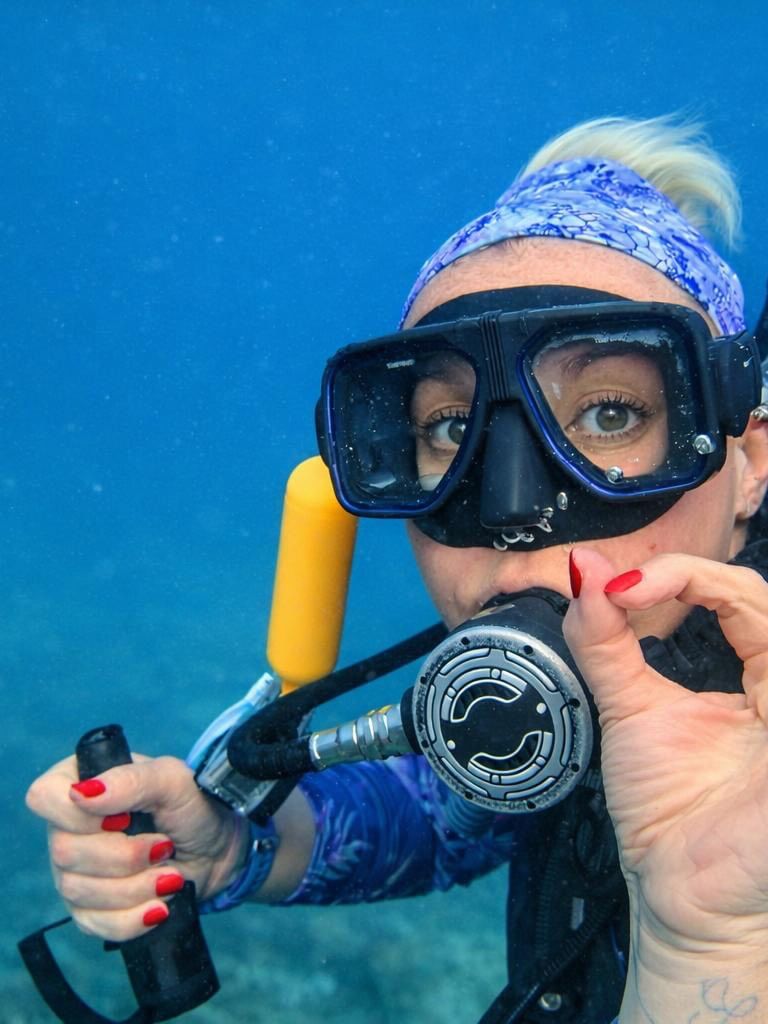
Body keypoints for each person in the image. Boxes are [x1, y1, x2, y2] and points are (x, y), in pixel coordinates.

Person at [26, 114, 768, 1024]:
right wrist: (234, 847)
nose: (510, 519)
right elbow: (449, 814)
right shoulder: (581, 703)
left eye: (610, 415)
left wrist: (717, 951)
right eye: (451, 430)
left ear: (750, 462)